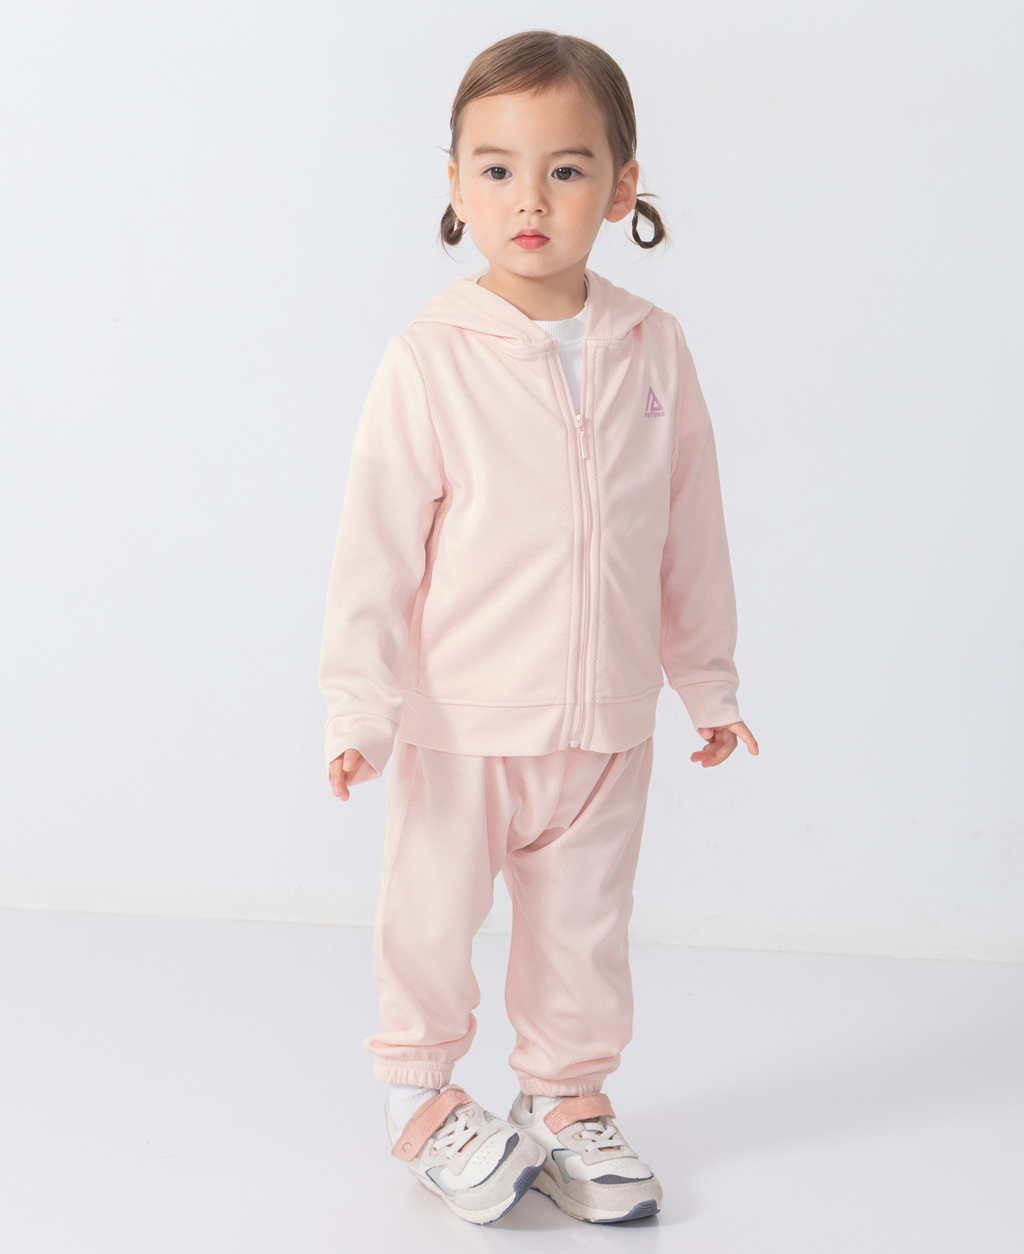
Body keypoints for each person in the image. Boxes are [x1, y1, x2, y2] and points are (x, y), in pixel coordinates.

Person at [317, 29, 759, 1227]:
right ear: (455, 184)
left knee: (584, 932)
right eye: (498, 169)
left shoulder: (653, 346)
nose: (530, 199)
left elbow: (689, 529)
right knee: (430, 920)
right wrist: (358, 706)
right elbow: (375, 550)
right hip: (460, 721)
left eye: (566, 169)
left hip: (605, 722)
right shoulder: (429, 359)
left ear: (620, 186)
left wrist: (707, 683)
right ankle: (420, 1100)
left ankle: (565, 1099)